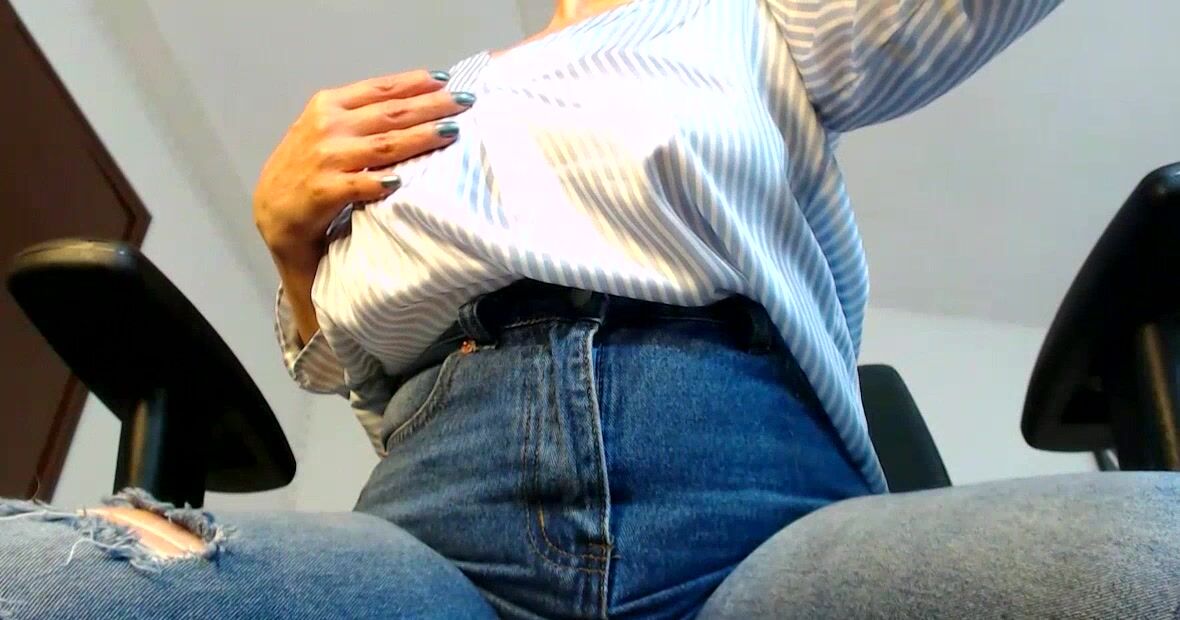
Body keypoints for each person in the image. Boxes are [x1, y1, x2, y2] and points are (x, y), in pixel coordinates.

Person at [3, 1, 1179, 618]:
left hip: (761, 526)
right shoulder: (426, 105)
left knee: (1150, 559)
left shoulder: (753, 21)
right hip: (437, 534)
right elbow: (357, 374)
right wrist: (287, 235)